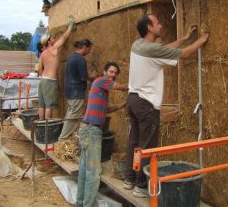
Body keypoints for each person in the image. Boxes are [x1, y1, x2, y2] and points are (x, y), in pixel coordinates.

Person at [123, 14, 209, 197]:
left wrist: (184, 39)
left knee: (134, 142)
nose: (161, 25)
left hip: (132, 100)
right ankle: (141, 187)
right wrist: (202, 39)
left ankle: (129, 179)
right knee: (147, 147)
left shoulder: (138, 44)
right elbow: (184, 54)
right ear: (149, 28)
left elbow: (162, 50)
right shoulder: (151, 49)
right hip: (146, 104)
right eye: (157, 22)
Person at [76, 62, 128, 207]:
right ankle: (88, 205)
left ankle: (80, 202)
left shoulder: (100, 90)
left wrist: (122, 105)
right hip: (92, 131)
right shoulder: (101, 80)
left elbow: (105, 110)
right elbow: (121, 87)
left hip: (86, 129)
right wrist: (136, 86)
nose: (113, 75)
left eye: (115, 73)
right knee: (94, 172)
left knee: (85, 170)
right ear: (104, 72)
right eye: (111, 72)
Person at [58, 39, 96, 140]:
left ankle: (68, 138)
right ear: (84, 47)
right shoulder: (80, 59)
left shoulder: (71, 56)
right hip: (76, 91)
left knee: (71, 114)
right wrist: (92, 77)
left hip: (70, 90)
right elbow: (83, 77)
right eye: (89, 49)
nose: (89, 51)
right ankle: (62, 139)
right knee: (73, 116)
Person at [37, 16, 74, 120]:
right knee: (49, 106)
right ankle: (48, 127)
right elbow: (63, 38)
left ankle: (41, 124)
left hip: (43, 81)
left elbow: (39, 70)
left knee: (41, 105)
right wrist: (70, 27)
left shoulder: (42, 54)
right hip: (50, 81)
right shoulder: (54, 49)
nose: (53, 39)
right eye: (51, 38)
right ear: (48, 42)